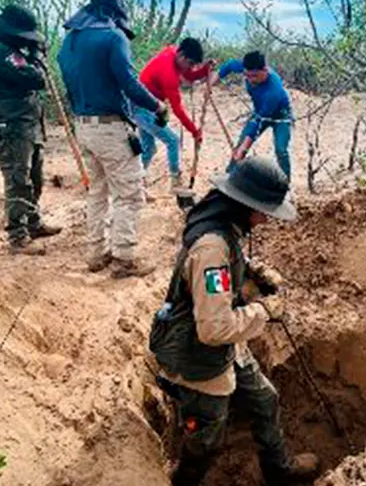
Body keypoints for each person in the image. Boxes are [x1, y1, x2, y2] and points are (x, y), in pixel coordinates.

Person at [148, 156, 319, 486]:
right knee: (206, 438)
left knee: (264, 399)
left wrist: (252, 270)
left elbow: (226, 261)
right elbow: (215, 329)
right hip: (198, 357)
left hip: (223, 348)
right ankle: (185, 480)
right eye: (264, 211)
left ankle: (278, 470)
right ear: (244, 205)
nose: (267, 219)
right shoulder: (211, 250)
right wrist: (265, 310)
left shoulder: (222, 227)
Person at [58, 0, 169, 278]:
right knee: (129, 195)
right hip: (110, 127)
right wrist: (157, 105)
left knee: (97, 192)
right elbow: (129, 83)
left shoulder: (69, 40)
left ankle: (96, 255)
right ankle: (123, 259)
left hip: (82, 125)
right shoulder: (113, 37)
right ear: (114, 14)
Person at [0, 4, 61, 254]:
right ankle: (17, 235)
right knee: (17, 179)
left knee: (35, 177)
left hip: (28, 122)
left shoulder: (13, 50)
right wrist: (36, 58)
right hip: (11, 124)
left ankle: (33, 223)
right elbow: (36, 79)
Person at [137, 38, 214, 192]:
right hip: (141, 107)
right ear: (183, 56)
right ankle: (175, 182)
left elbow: (190, 75)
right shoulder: (168, 73)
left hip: (150, 106)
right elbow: (177, 109)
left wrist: (205, 69)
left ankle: (135, 184)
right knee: (173, 141)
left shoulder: (173, 54)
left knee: (149, 148)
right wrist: (194, 131)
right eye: (191, 63)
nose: (191, 67)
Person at [212, 51, 293, 181]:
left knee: (281, 149)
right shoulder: (246, 67)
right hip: (259, 112)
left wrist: (243, 149)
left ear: (265, 70)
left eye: (254, 76)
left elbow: (257, 123)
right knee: (239, 145)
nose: (250, 80)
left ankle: (285, 183)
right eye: (247, 76)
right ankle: (229, 176)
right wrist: (212, 83)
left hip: (280, 116)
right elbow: (229, 65)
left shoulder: (273, 91)